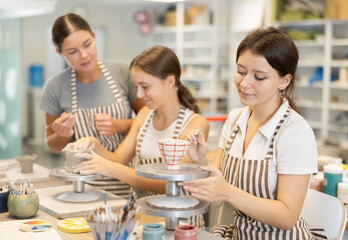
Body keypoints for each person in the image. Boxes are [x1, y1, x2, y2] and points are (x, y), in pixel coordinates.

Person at [181, 27, 318, 239]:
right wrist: (199, 162)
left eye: (259, 77)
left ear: (284, 81)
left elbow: (287, 216)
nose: (244, 83)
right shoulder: (236, 120)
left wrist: (228, 192)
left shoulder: (294, 132)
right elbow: (216, 188)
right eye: (241, 71)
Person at [72, 45, 209, 228]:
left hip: (179, 223)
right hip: (143, 218)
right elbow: (119, 158)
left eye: (145, 87)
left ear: (169, 81)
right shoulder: (144, 115)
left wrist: (111, 169)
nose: (139, 95)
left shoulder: (195, 124)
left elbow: (170, 184)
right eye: (137, 87)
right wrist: (94, 144)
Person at [39, 13, 144, 196]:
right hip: (82, 186)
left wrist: (118, 125)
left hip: (125, 180)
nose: (84, 55)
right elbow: (53, 146)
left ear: (94, 36)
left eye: (87, 44)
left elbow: (148, 121)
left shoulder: (122, 72)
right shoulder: (56, 86)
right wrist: (63, 135)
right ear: (60, 53)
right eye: (72, 52)